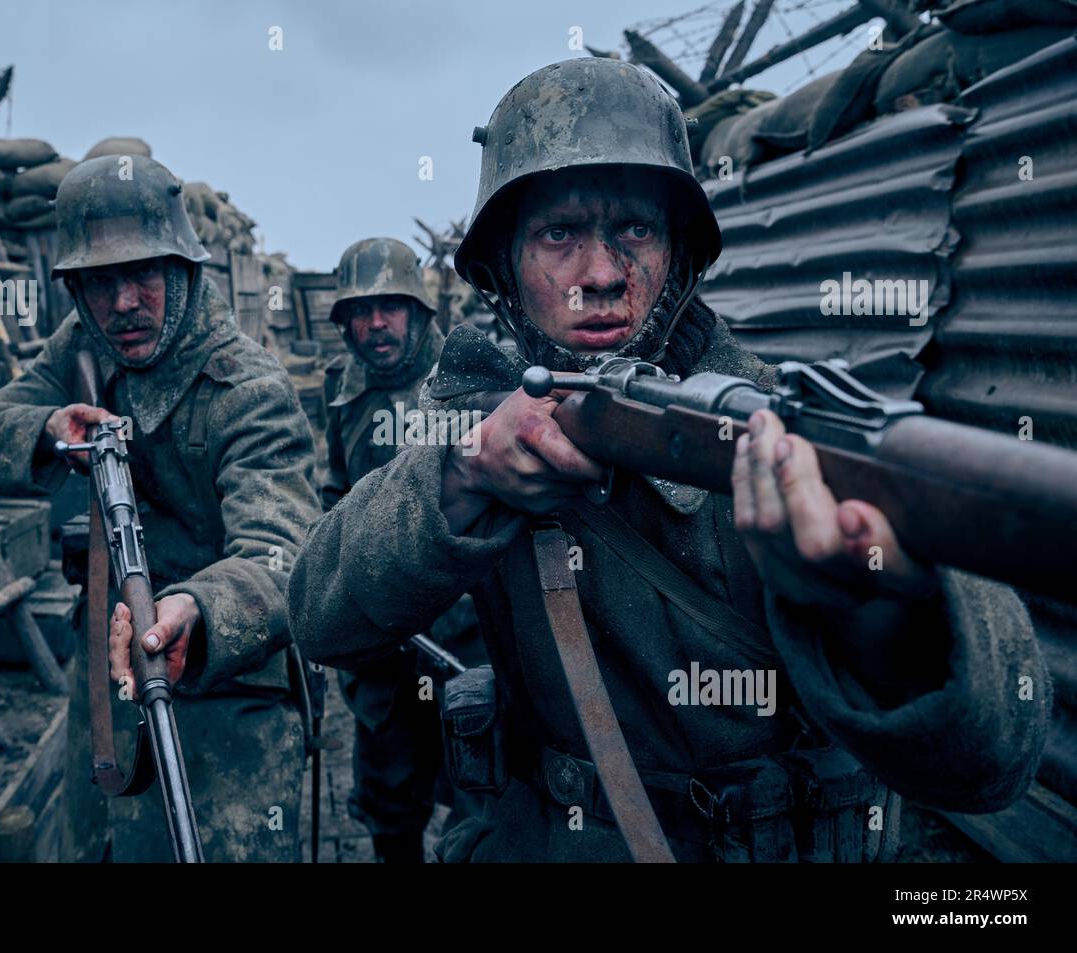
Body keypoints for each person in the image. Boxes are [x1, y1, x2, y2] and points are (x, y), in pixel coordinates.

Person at [287, 57, 1050, 862]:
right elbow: (320, 615)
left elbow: (992, 765)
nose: (603, 275)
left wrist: (884, 616)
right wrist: (459, 477)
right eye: (559, 234)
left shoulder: (767, 426)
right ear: (503, 267)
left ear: (678, 252)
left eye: (635, 230)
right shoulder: (477, 418)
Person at [0, 155, 321, 862]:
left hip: (222, 684)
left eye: (143, 274)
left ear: (183, 270)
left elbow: (283, 552)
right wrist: (47, 428)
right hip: (103, 688)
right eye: (100, 282)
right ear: (77, 292)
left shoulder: (248, 389)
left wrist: (194, 608)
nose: (123, 303)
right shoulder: (82, 351)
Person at [321, 238, 487, 862]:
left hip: (466, 634)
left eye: (390, 307)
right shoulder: (342, 389)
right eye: (360, 313)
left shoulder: (466, 380)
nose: (375, 325)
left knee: (481, 793)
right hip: (383, 639)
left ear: (419, 312)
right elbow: (335, 487)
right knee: (389, 798)